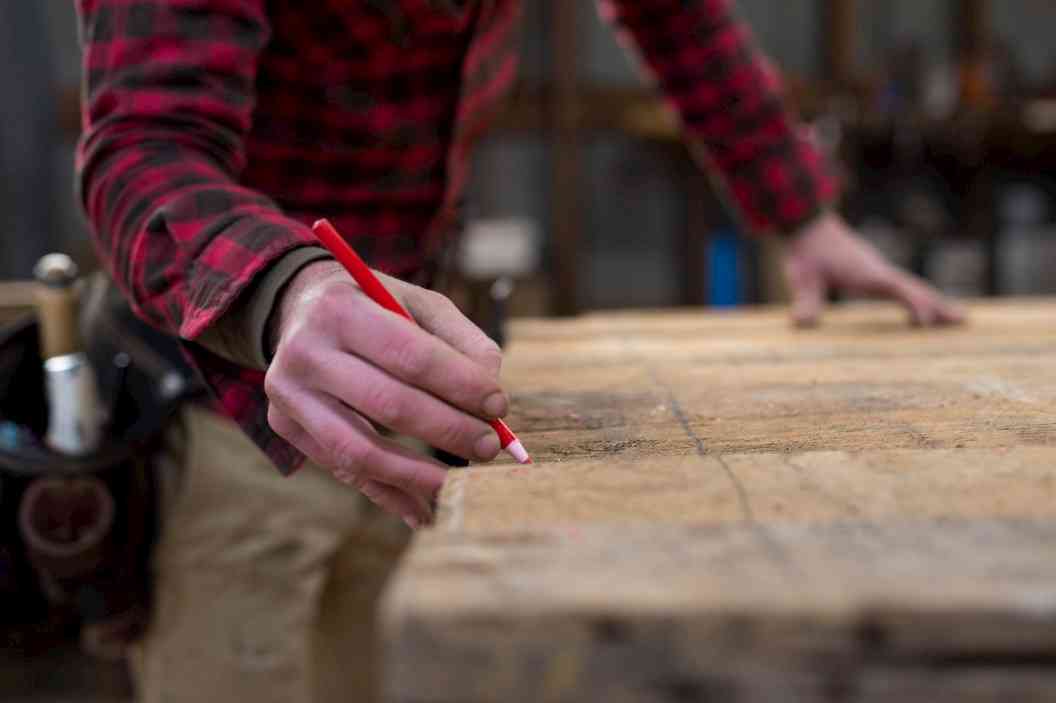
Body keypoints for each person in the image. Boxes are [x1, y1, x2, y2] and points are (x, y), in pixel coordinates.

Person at [74, 1, 964, 701]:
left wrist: (797, 210)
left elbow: (675, 15)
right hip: (223, 391)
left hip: (414, 399)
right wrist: (284, 289)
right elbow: (142, 150)